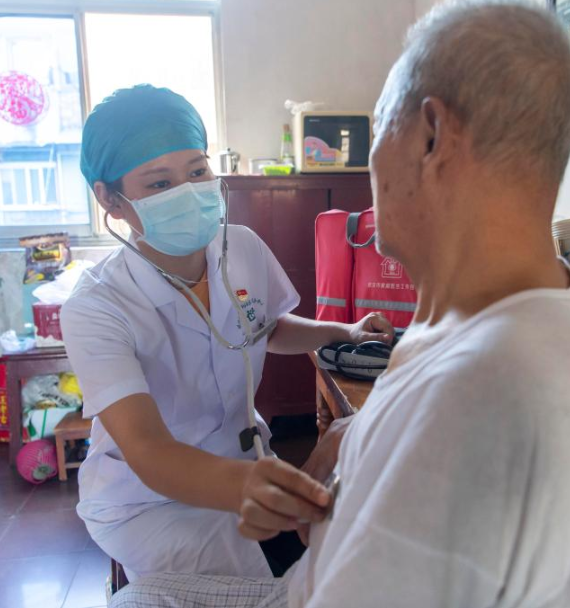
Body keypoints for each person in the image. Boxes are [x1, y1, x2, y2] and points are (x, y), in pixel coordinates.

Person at [108, 2, 570, 607]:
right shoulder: (548, 310)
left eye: (379, 127)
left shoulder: (472, 397)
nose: (369, 162)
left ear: (432, 138)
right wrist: (359, 434)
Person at [61, 84, 394, 583]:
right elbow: (149, 452)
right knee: (278, 585)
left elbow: (265, 328)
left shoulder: (241, 247)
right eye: (159, 183)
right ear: (110, 199)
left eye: (197, 171)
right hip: (150, 501)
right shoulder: (97, 306)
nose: (188, 191)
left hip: (243, 463)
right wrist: (274, 484)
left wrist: (343, 331)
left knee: (329, 561)